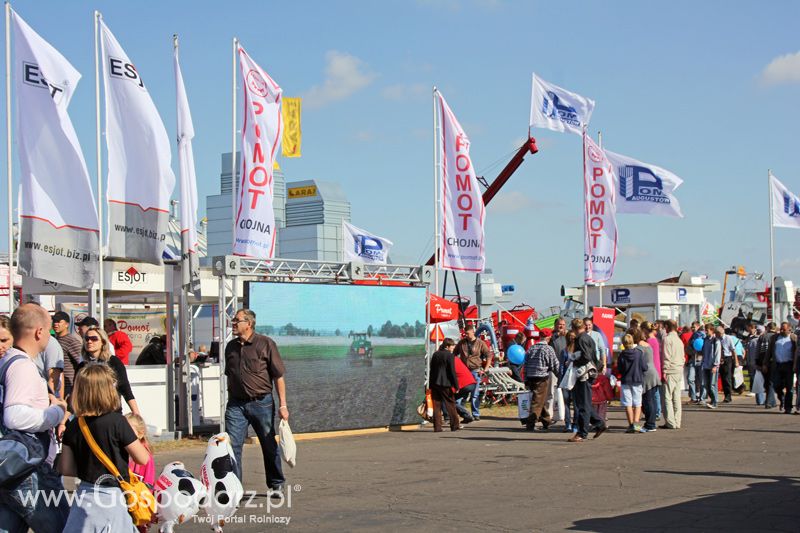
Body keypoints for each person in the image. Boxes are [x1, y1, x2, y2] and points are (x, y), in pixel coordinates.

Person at [0, 304, 69, 531]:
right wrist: (56, 412)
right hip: (29, 471)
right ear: (39, 332)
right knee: (62, 527)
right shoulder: (22, 366)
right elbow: (14, 417)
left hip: (14, 469)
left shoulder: (8, 361)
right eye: (48, 333)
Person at [58, 364, 150, 533]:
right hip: (112, 499)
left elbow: (67, 469)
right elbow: (142, 458)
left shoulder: (74, 426)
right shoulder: (117, 422)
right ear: (108, 390)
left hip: (84, 497)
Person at [225, 309, 288, 496]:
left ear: (249, 323)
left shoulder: (266, 344)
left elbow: (278, 377)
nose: (233, 323)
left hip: (261, 403)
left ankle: (276, 483)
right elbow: (230, 375)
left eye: (237, 320)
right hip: (236, 405)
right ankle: (235, 488)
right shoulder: (230, 347)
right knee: (232, 445)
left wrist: (283, 405)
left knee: (268, 444)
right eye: (233, 320)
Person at [80, 325, 141, 417]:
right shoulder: (82, 366)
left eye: (94, 339)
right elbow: (76, 393)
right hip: (87, 415)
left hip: (111, 414)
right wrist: (63, 422)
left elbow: (125, 389)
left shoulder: (113, 362)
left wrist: (136, 414)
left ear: (103, 342)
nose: (89, 341)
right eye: (87, 338)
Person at [568, 319, 606, 442]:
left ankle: (582, 433)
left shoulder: (581, 339)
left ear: (573, 328)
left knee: (582, 404)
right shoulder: (588, 338)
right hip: (590, 372)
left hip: (584, 373)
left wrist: (575, 360)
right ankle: (599, 423)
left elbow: (586, 356)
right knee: (584, 403)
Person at [522, 330, 560, 431]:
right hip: (541, 377)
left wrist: (525, 379)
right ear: (549, 337)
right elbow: (554, 365)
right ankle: (530, 423)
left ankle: (546, 421)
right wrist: (560, 376)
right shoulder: (548, 348)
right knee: (537, 401)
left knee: (539, 399)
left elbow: (525, 365)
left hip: (530, 377)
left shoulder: (531, 348)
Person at [454, 323, 491, 421]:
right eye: (465, 333)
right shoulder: (462, 343)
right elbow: (454, 354)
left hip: (476, 370)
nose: (466, 335)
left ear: (472, 332)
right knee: (461, 393)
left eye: (467, 333)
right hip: (464, 372)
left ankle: (475, 414)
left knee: (475, 394)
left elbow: (488, 355)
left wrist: (486, 368)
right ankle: (463, 413)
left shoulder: (480, 343)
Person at [617, 334, 647, 433]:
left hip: (626, 380)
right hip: (637, 380)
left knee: (628, 404)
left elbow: (620, 369)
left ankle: (630, 425)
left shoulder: (621, 355)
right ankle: (636, 424)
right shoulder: (639, 353)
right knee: (638, 403)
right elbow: (644, 367)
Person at [429, 338, 460, 432]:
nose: (453, 348)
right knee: (450, 404)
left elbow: (432, 369)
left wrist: (430, 384)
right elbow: (452, 372)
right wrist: (456, 385)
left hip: (434, 382)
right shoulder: (450, 356)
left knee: (436, 405)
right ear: (447, 346)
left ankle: (437, 427)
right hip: (445, 383)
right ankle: (455, 425)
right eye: (452, 346)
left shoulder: (435, 354)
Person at [765, 321, 797, 414]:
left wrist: (795, 365)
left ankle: (788, 407)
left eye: (784, 329)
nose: (782, 330)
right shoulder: (774, 338)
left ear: (789, 329)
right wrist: (765, 363)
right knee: (776, 385)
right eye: (781, 329)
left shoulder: (794, 338)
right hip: (777, 365)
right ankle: (781, 398)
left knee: (789, 387)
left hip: (789, 365)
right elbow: (769, 352)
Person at [52, 311, 83, 400]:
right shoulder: (55, 340)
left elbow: (82, 363)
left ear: (67, 324)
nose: (55, 324)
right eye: (54, 321)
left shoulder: (71, 341)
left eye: (59, 321)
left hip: (69, 387)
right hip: (57, 385)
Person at [636, 326, 661, 432]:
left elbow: (640, 364)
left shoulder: (639, 348)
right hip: (653, 373)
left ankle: (650, 424)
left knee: (648, 400)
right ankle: (651, 422)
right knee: (651, 400)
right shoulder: (648, 346)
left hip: (647, 375)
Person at [661, 320, 685, 429]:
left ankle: (670, 422)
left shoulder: (667, 339)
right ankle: (677, 421)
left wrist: (664, 370)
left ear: (667, 326)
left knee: (667, 397)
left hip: (671, 370)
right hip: (679, 368)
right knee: (676, 397)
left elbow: (667, 356)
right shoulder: (679, 340)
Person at [126, 413, 155, 487]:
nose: (124, 434)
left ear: (140, 434)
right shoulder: (119, 450)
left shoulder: (146, 457)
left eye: (129, 431)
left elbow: (149, 482)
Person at [642, 322, 663, 420]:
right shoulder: (655, 339)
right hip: (657, 366)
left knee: (653, 393)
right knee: (656, 392)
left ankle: (657, 412)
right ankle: (657, 411)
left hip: (652, 367)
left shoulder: (649, 341)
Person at [702, 325, 722, 409]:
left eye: (707, 330)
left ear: (712, 330)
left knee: (712, 385)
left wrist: (715, 365)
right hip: (706, 365)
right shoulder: (705, 340)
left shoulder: (716, 341)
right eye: (705, 330)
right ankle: (712, 400)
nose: (706, 332)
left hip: (713, 366)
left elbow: (717, 353)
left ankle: (715, 402)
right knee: (706, 385)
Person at [453, 353, 477, 424]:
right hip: (471, 383)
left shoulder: (450, 361)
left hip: (465, 384)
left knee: (450, 400)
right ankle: (466, 417)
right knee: (460, 401)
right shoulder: (456, 360)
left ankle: (466, 415)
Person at [686, 322, 706, 404]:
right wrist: (692, 351)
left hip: (702, 360)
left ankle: (702, 398)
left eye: (694, 327)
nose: (692, 328)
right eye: (692, 327)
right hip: (693, 360)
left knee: (702, 380)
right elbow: (687, 348)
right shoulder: (692, 336)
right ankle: (693, 397)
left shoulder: (704, 336)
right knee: (690, 378)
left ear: (698, 326)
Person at [746, 324, 765, 405]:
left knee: (757, 381)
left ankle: (760, 400)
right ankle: (761, 400)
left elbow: (748, 353)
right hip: (761, 363)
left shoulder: (752, 341)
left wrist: (749, 363)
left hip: (753, 363)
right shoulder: (764, 341)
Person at [718, 328, 738, 403]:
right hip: (719, 358)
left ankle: (728, 396)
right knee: (723, 378)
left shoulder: (728, 338)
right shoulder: (716, 339)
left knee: (727, 377)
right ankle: (725, 394)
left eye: (719, 333)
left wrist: (736, 361)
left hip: (727, 358)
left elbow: (733, 350)